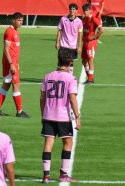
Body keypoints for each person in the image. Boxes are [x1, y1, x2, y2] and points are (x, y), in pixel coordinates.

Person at [40, 49, 81, 183]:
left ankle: (46, 175)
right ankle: (63, 174)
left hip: (48, 115)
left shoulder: (47, 76)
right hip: (63, 117)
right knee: (68, 142)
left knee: (48, 143)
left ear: (58, 60)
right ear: (70, 62)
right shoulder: (71, 78)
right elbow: (72, 98)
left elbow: (42, 98)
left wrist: (43, 114)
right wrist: (77, 116)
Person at [0, 12, 30, 118]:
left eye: (22, 20)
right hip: (10, 64)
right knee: (16, 85)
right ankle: (19, 111)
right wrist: (11, 64)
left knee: (6, 85)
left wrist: (16, 63)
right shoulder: (9, 32)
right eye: (19, 20)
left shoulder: (15, 31)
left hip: (13, 64)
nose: (21, 22)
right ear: (13, 20)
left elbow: (13, 50)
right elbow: (6, 49)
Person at [55, 3, 83, 74]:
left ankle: (70, 77)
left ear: (76, 11)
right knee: (60, 62)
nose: (72, 10)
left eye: (73, 9)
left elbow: (80, 34)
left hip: (72, 46)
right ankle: (58, 76)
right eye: (70, 9)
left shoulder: (79, 21)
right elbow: (59, 31)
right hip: (63, 45)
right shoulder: (63, 19)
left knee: (70, 62)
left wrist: (79, 46)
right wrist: (57, 42)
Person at [81, 3, 105, 84]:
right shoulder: (84, 19)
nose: (85, 12)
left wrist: (94, 37)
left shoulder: (94, 19)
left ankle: (90, 79)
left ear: (90, 10)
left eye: (87, 10)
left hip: (91, 43)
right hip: (84, 42)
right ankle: (90, 77)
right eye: (84, 11)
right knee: (84, 61)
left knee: (90, 60)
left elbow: (102, 30)